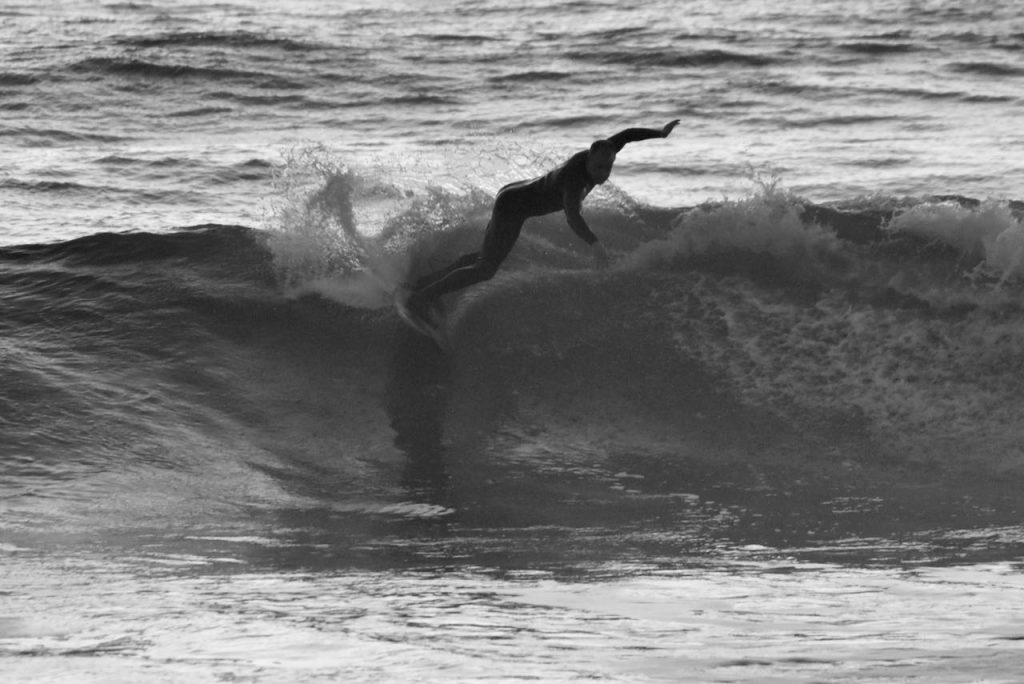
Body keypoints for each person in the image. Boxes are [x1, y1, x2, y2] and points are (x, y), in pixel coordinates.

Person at [405, 119, 680, 322]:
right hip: (512, 206)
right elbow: (573, 216)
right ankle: (421, 299)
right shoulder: (574, 183)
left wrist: (660, 133)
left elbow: (628, 135)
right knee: (486, 268)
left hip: (516, 194)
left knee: (483, 258)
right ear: (589, 160)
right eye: (598, 167)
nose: (602, 173)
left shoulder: (604, 150)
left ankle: (425, 284)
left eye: (607, 168)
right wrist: (595, 244)